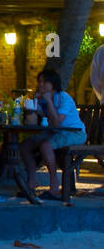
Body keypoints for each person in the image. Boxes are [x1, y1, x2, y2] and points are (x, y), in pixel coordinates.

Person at [19, 68, 87, 200]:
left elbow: (56, 123)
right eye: (39, 81)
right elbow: (34, 120)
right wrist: (33, 104)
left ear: (53, 83)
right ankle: (32, 181)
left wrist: (49, 101)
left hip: (74, 133)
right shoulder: (41, 98)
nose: (41, 85)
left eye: (45, 82)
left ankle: (54, 185)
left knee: (46, 146)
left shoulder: (64, 98)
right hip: (56, 132)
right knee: (26, 145)